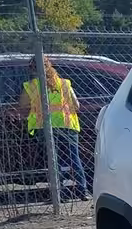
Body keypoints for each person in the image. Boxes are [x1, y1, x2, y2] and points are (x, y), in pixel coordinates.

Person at [20, 58, 88, 200]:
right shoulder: (64, 83)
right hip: (67, 125)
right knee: (74, 158)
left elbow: (23, 106)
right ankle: (83, 190)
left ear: (32, 69)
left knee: (53, 160)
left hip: (46, 126)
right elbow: (77, 105)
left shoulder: (31, 86)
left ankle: (59, 194)